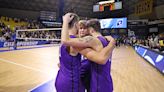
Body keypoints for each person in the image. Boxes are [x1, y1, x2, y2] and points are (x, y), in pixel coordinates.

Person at [55, 13, 115, 92]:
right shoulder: (105, 41)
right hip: (103, 83)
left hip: (67, 81)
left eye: (84, 28)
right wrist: (112, 42)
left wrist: (65, 22)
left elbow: (102, 59)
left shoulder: (90, 41)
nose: (82, 31)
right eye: (80, 28)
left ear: (90, 30)